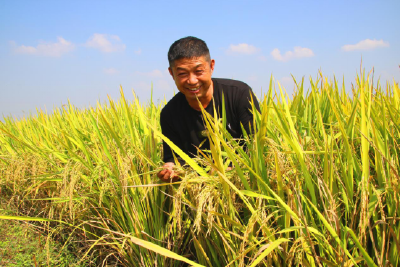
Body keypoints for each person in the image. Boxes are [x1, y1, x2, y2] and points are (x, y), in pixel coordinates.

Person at [157, 36, 260, 182]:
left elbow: (258, 149)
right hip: (199, 191)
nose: (192, 80)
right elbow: (173, 158)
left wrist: (232, 170)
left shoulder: (239, 94)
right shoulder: (169, 114)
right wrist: (170, 170)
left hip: (243, 184)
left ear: (211, 66)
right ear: (171, 73)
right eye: (182, 74)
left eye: (199, 71)